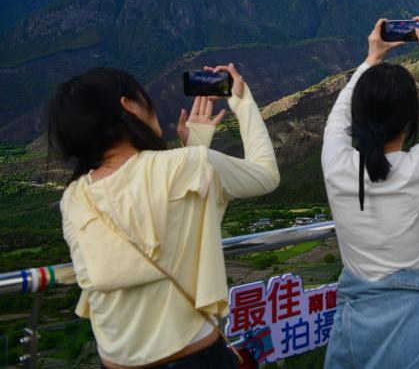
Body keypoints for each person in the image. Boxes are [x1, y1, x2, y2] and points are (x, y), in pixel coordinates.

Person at [52, 63, 279, 368]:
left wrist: (193, 148)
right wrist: (242, 101)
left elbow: (160, 235)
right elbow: (266, 175)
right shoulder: (188, 166)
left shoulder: (74, 198)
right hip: (197, 360)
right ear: (129, 105)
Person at [321, 17, 419, 368]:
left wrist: (371, 59)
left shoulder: (336, 165)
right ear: (411, 121)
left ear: (358, 118)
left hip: (355, 326)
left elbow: (337, 118)